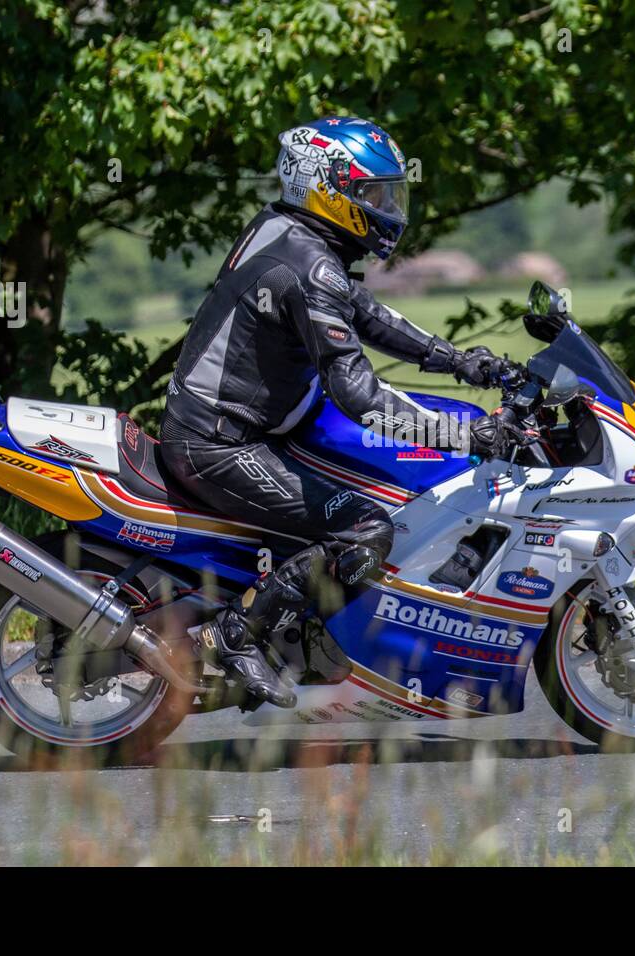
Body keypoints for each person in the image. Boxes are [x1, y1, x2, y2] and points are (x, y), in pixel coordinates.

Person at [158, 116, 529, 708]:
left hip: (235, 426)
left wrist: (464, 363)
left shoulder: (289, 233)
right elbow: (359, 396)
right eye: (372, 193)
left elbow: (367, 313)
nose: (386, 207)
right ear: (328, 190)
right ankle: (235, 633)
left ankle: (303, 627)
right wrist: (466, 433)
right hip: (219, 443)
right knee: (366, 526)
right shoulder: (310, 267)